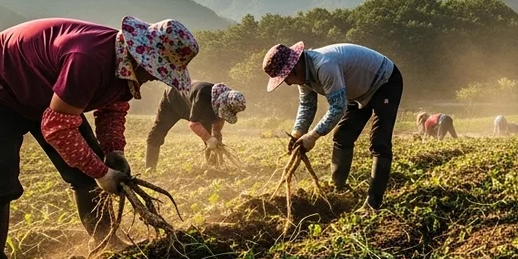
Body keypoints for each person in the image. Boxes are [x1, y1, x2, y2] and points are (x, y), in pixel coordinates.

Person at [0, 16, 198, 259]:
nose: (154, 77)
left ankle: (108, 243)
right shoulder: (88, 60)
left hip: (45, 94)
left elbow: (113, 107)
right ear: (140, 56)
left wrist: (113, 151)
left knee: (85, 172)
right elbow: (58, 129)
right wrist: (102, 173)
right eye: (155, 71)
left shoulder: (124, 65)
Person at [263, 42, 403, 210]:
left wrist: (313, 136)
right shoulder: (304, 77)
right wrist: (297, 134)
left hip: (384, 82)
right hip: (357, 91)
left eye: (286, 79)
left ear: (294, 67)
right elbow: (307, 106)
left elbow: (338, 107)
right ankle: (339, 189)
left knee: (379, 142)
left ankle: (373, 203)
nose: (288, 84)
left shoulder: (325, 65)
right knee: (342, 135)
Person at [144, 81, 247, 170]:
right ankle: (150, 168)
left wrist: (216, 135)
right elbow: (194, 124)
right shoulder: (202, 96)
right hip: (173, 100)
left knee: (211, 139)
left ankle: (213, 167)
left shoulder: (221, 99)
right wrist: (209, 139)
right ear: (220, 103)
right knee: (158, 132)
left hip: (194, 105)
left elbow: (220, 119)